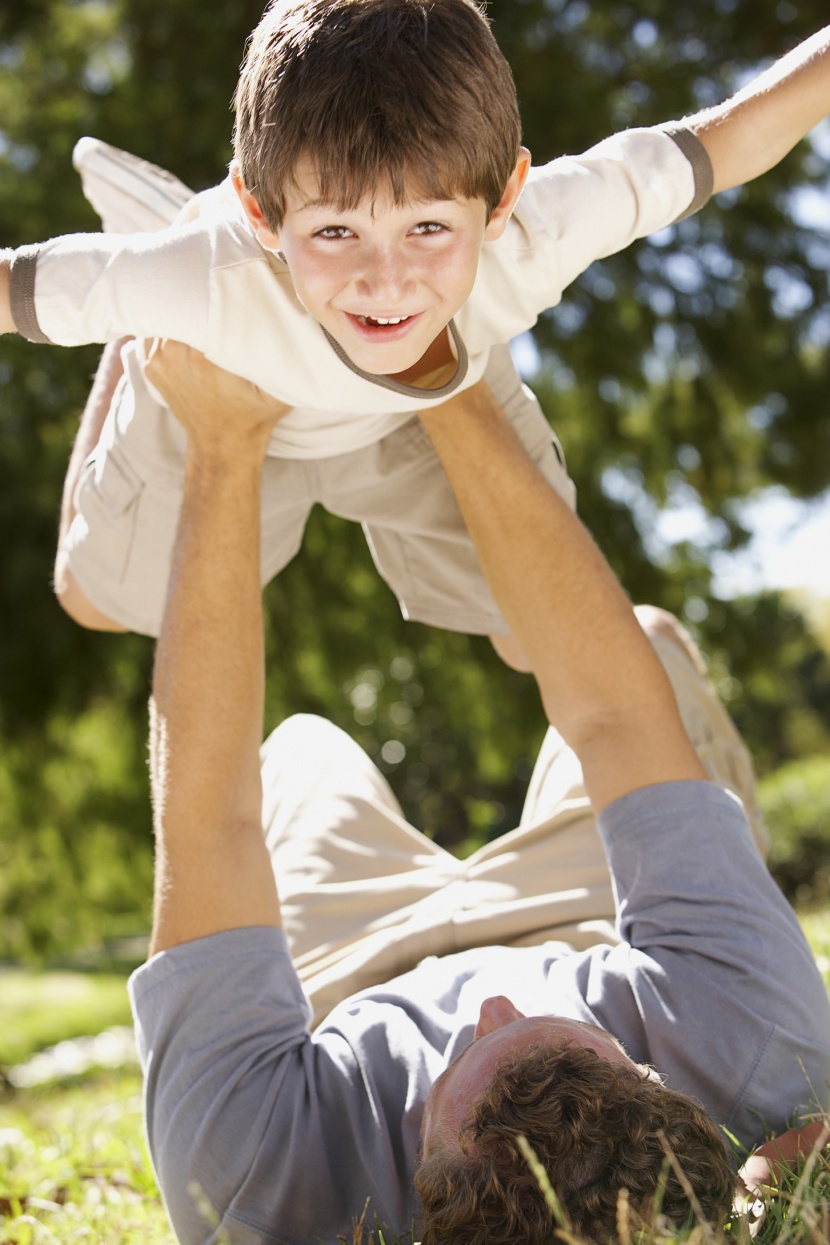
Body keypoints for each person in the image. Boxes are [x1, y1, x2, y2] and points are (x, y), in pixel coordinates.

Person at [130, 338, 830, 1245]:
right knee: (645, 642)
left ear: (418, 1202)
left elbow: (211, 822)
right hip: (589, 927)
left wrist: (222, 442)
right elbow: (615, 716)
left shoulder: (259, 1179)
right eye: (544, 1027)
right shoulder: (751, 1046)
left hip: (346, 980)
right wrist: (438, 370)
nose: (485, 1005)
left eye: (465, 1052)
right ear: (661, 1084)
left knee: (296, 748)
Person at [1, 1, 830, 664]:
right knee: (97, 602)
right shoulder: (206, 276)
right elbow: (16, 287)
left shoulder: (542, 229)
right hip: (233, 375)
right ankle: (132, 298)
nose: (386, 281)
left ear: (502, 200)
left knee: (539, 628)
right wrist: (137, 305)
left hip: (410, 414)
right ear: (261, 212)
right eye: (335, 233)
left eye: (429, 229)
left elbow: (731, 138)